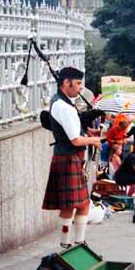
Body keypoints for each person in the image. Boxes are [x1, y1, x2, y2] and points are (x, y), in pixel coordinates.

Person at [42, 67, 102, 249]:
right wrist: (93, 139)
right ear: (66, 83)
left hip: (67, 158)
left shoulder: (62, 102)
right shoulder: (64, 106)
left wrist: (88, 132)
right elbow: (75, 140)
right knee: (80, 204)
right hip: (68, 158)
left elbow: (73, 131)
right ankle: (72, 243)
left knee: (74, 205)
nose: (79, 88)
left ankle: (70, 243)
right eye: (77, 84)